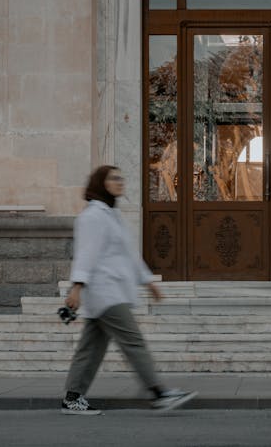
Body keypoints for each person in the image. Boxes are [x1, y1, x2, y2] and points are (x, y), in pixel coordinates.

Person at [61, 165, 196, 415]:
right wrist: (76, 288)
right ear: (101, 183)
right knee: (133, 341)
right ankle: (158, 393)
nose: (120, 181)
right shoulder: (92, 216)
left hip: (111, 292)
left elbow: (129, 255)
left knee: (90, 349)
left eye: (121, 177)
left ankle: (73, 397)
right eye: (114, 178)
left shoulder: (112, 215)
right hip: (105, 292)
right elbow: (85, 255)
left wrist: (148, 280)